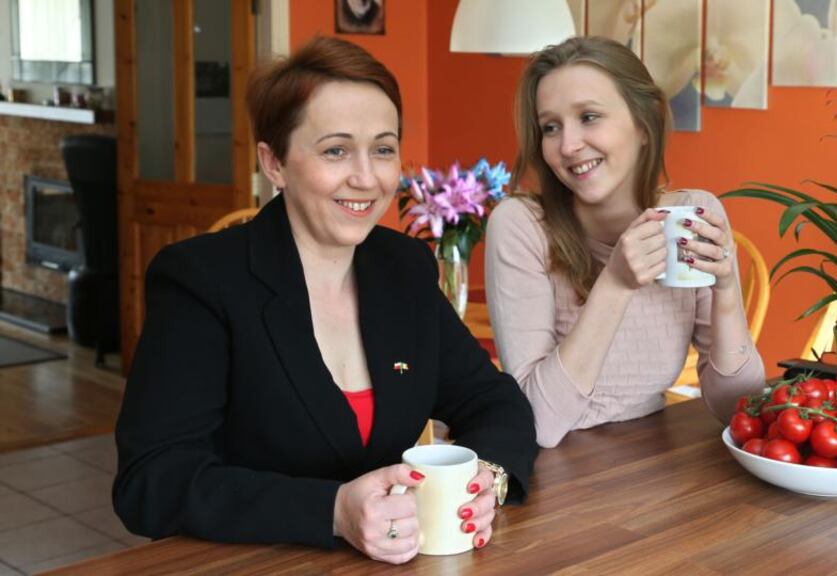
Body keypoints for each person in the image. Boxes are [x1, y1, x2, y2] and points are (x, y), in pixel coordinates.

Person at [113, 37, 537, 565]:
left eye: (383, 148)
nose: (366, 177)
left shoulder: (403, 267)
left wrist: (487, 477)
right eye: (335, 150)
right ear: (274, 163)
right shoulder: (201, 280)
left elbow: (494, 401)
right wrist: (332, 510)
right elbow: (151, 480)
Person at [485, 36, 765, 448]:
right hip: (547, 479)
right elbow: (539, 425)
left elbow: (738, 408)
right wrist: (615, 283)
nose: (568, 145)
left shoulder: (693, 217)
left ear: (644, 123)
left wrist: (725, 292)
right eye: (551, 126)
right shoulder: (521, 226)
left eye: (589, 116)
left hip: (650, 465)